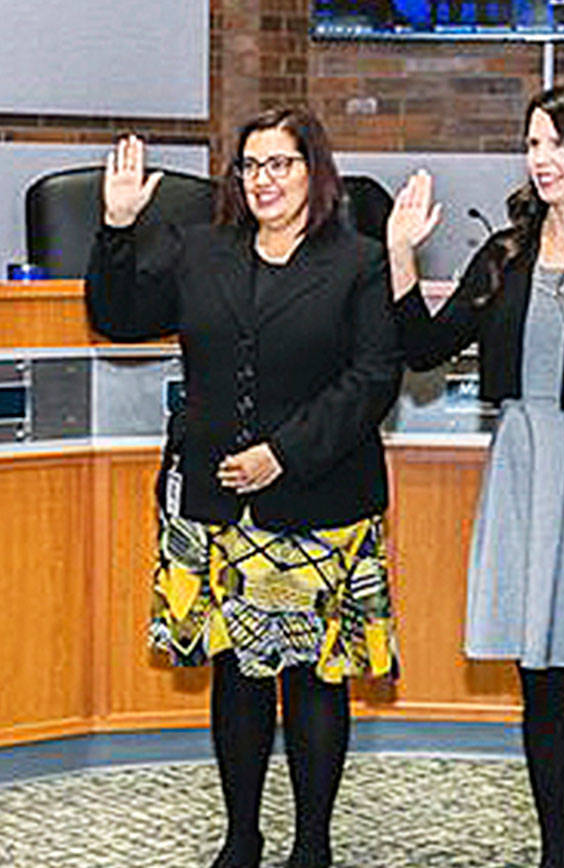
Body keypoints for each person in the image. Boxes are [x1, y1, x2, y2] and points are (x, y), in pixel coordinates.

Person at [85, 108, 403, 868]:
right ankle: (242, 835)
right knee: (236, 672)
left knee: (314, 678)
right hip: (218, 505)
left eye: (280, 165)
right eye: (251, 167)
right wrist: (117, 229)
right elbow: (119, 316)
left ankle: (313, 844)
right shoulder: (201, 250)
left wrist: (282, 455)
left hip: (318, 500)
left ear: (313, 171)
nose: (264, 181)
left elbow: (374, 379)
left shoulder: (356, 260)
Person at [386, 85, 564, 868]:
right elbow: (422, 350)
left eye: (555, 143)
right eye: (532, 143)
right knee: (539, 679)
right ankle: (557, 855)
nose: (541, 159)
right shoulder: (505, 253)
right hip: (520, 472)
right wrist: (402, 254)